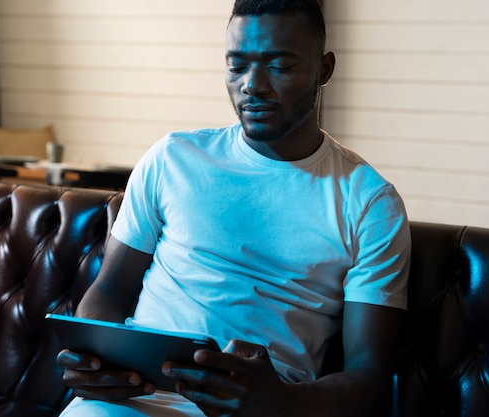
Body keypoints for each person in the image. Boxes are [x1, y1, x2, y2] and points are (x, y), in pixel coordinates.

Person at [57, 0, 411, 416]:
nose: (252, 85)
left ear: (325, 70)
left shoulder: (369, 203)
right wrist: (93, 355)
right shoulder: (173, 159)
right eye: (236, 64)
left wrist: (281, 401)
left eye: (279, 65)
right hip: (133, 397)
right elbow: (110, 291)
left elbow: (371, 379)